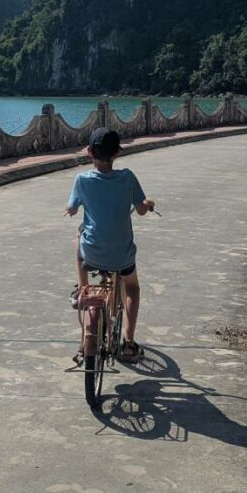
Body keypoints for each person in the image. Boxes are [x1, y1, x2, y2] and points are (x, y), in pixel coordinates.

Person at [64, 127, 155, 362]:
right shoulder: (127, 177)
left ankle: (82, 288)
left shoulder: (81, 180)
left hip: (92, 253)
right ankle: (129, 343)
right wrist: (148, 203)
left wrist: (70, 209)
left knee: (78, 236)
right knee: (132, 288)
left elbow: (73, 208)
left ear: (90, 153)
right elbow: (142, 210)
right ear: (116, 155)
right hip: (122, 255)